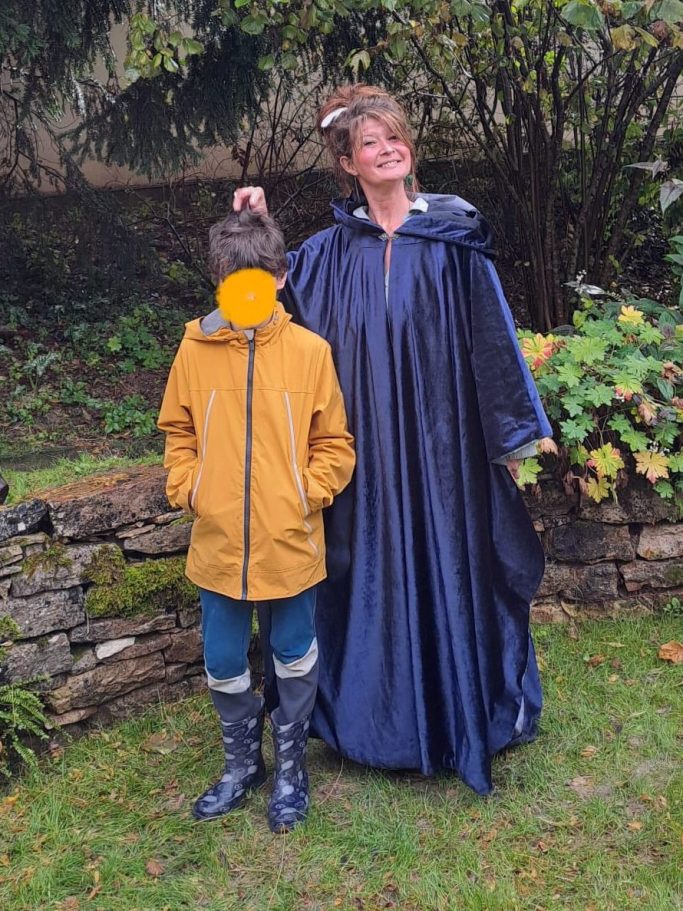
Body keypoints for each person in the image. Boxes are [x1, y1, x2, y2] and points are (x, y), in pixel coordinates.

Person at [233, 85, 552, 796]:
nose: (387, 149)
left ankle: (458, 711)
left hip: (443, 451)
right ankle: (374, 721)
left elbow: (492, 336)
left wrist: (513, 436)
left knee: (453, 567)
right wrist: (257, 223)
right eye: (370, 142)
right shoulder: (326, 255)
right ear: (348, 163)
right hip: (362, 453)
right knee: (363, 572)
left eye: (394, 137)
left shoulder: (452, 238)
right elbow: (262, 300)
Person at [157, 210, 355, 832]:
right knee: (222, 657)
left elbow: (334, 443)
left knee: (293, 654)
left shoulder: (309, 352)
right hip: (218, 543)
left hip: (289, 539)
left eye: (257, 279)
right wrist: (192, 488)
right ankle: (243, 764)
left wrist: (305, 493)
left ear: (281, 276)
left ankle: (292, 768)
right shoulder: (194, 349)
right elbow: (178, 431)